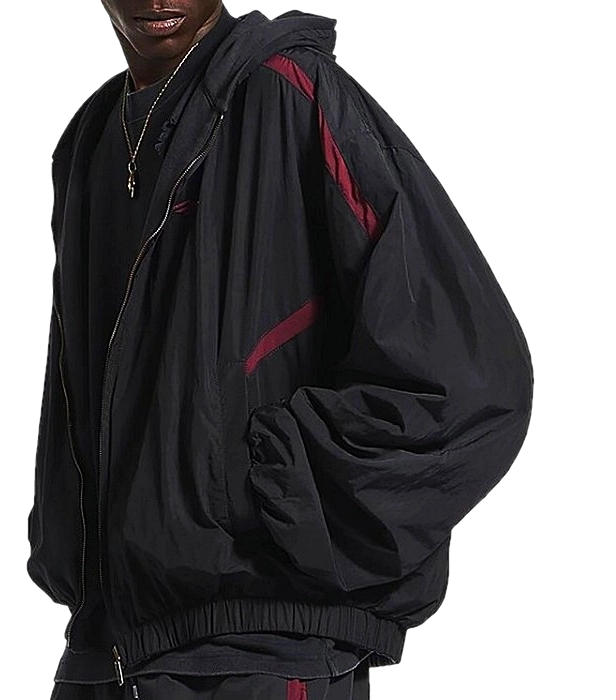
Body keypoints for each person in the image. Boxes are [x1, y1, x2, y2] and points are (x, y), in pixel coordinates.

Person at [27, 2, 534, 698]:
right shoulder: (88, 142)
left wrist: (277, 489)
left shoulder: (291, 92)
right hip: (108, 654)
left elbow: (468, 376)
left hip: (266, 651)